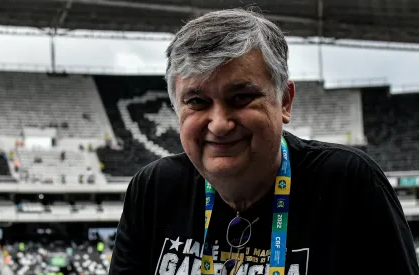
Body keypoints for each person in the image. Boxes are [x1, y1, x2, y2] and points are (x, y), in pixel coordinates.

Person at [109, 8, 419, 275]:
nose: (219, 124)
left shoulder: (350, 184)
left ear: (284, 101)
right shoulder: (153, 189)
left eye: (241, 97)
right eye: (197, 101)